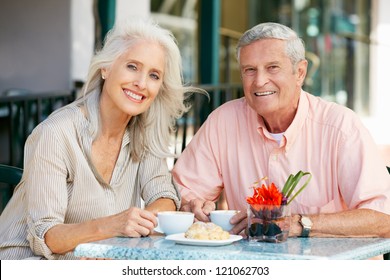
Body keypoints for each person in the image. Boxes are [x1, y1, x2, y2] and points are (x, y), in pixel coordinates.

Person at [0, 18, 202, 259]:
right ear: (105, 68)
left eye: (154, 75)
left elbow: (164, 197)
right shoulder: (56, 133)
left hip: (98, 257)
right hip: (29, 261)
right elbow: (48, 236)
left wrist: (134, 226)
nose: (141, 83)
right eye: (132, 66)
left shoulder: (145, 132)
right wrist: (113, 226)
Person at [172, 22, 390, 239]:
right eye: (249, 70)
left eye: (272, 67)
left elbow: (383, 218)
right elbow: (181, 191)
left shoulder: (341, 127)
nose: (259, 81)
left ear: (300, 72)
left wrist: (299, 224)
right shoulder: (223, 122)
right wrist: (193, 205)